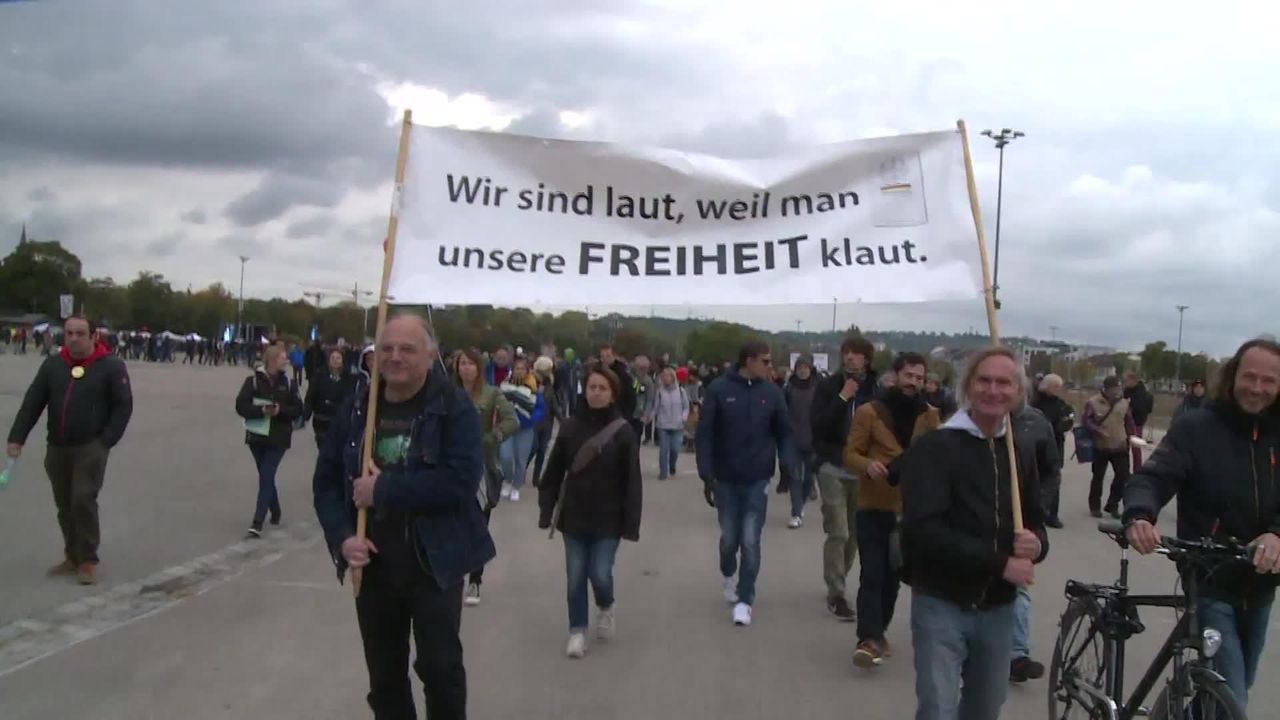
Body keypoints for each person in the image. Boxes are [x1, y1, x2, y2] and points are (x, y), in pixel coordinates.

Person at [312, 313, 492, 719]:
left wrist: (385, 489)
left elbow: (461, 481)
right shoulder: (359, 407)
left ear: (430, 355)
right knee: (385, 678)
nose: (395, 357)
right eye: (387, 348)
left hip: (434, 562)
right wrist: (342, 538)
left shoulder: (453, 407)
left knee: (440, 669)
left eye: (407, 349)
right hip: (374, 566)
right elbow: (326, 483)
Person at [1124, 339, 1280, 710]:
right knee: (1232, 697)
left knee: (1226, 692)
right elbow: (1153, 477)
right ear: (1232, 376)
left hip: (1262, 584)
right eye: (1250, 377)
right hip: (1210, 578)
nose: (1257, 388)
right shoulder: (1197, 429)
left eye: (1269, 381)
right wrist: (1140, 514)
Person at [898, 347, 1049, 720]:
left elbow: (1035, 521)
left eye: (1004, 383)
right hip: (941, 600)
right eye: (984, 380)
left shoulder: (1018, 451)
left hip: (998, 608)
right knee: (938, 708)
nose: (993, 391)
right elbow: (922, 531)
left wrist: (1036, 545)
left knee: (985, 709)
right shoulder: (935, 447)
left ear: (1018, 391)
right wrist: (1000, 564)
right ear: (968, 386)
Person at [6, 315, 133, 586]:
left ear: (93, 336)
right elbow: (32, 402)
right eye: (69, 333)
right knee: (64, 504)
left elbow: (123, 406)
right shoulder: (53, 365)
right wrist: (17, 437)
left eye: (80, 333)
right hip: (57, 446)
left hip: (91, 446)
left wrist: (107, 440)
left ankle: (87, 559)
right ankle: (72, 555)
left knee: (82, 499)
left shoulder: (111, 366)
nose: (73, 339)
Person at [538, 365, 643, 658]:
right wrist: (546, 509)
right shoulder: (570, 427)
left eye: (602, 388)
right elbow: (553, 472)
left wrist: (631, 523)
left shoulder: (623, 433)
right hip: (573, 515)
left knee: (599, 573)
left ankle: (606, 605)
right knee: (575, 577)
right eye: (592, 387)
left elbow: (632, 482)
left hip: (609, 519)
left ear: (613, 394)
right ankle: (577, 630)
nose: (596, 393)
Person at [843, 352, 939, 668]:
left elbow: (936, 457)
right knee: (872, 573)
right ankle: (868, 638)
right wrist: (867, 465)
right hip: (873, 505)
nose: (914, 382)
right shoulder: (870, 412)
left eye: (919, 378)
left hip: (908, 511)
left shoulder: (929, 416)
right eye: (909, 375)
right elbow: (850, 454)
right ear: (896, 375)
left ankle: (879, 630)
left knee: (892, 577)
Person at [696, 340, 792, 627]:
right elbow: (705, 434)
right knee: (729, 538)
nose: (770, 366)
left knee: (750, 539)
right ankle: (728, 573)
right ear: (749, 360)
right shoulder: (719, 389)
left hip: (757, 478)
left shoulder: (773, 393)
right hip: (725, 477)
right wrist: (706, 473)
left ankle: (744, 599)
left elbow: (784, 433)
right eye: (765, 361)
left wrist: (787, 467)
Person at [810, 336, 878, 622]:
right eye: (846, 353)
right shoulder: (829, 386)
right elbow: (818, 425)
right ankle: (836, 593)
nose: (850, 357)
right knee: (838, 531)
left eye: (856, 353)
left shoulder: (875, 390)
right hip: (832, 466)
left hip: (861, 469)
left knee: (853, 535)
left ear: (866, 359)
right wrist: (842, 397)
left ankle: (838, 575)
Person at [454, 348, 517, 608]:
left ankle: (475, 580)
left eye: (471, 363)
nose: (466, 368)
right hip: (451, 467)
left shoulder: (491, 394)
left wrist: (491, 438)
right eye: (462, 363)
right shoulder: (448, 393)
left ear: (479, 368)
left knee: (478, 524)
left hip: (481, 467)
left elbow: (511, 420)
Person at [1008, 399, 1059, 684]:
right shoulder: (967, 421)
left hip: (1022, 519)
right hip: (980, 516)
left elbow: (1051, 469)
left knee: (1019, 585)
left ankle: (1017, 655)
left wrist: (1040, 506)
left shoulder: (1037, 424)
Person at [235, 344, 303, 538]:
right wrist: (261, 410)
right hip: (257, 435)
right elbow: (241, 406)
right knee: (266, 475)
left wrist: (280, 410)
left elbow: (298, 409)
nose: (286, 361)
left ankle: (257, 521)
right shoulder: (253, 381)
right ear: (272, 360)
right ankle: (276, 509)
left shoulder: (289, 383)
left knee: (266, 474)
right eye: (283, 357)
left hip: (279, 437)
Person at [1084, 376, 1138, 518]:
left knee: (1123, 475)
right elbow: (1087, 420)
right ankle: (1095, 506)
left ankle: (1113, 504)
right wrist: (1097, 430)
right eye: (1114, 389)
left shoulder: (1124, 403)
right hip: (1101, 446)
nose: (1117, 391)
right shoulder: (1093, 402)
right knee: (1098, 476)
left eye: (1119, 388)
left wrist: (1132, 436)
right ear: (1106, 389)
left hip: (1120, 445)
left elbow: (1129, 421)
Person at [498, 356, 544, 502]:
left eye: (522, 369)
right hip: (507, 427)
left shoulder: (533, 388)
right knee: (505, 457)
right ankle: (507, 481)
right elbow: (497, 403)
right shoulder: (504, 385)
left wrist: (533, 418)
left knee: (520, 461)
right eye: (517, 368)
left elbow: (540, 408)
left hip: (525, 429)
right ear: (513, 370)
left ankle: (516, 487)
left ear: (527, 371)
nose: (519, 371)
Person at [1031, 373, 1075, 528]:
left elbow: (1067, 419)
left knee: (1054, 479)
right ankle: (1034, 511)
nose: (1059, 390)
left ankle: (1052, 515)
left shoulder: (1061, 404)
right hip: (1036, 446)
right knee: (1033, 479)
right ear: (1047, 386)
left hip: (1056, 445)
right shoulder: (1034, 402)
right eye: (1056, 387)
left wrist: (1067, 422)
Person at [783, 354, 819, 528]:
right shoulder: (789, 388)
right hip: (793, 438)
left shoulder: (818, 387)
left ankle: (801, 503)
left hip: (813, 439)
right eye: (799, 368)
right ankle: (796, 513)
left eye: (805, 367)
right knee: (795, 476)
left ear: (810, 369)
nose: (802, 371)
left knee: (809, 478)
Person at [305, 349, 357, 450]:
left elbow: (350, 397)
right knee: (323, 448)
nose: (335, 360)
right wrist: (306, 413)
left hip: (339, 419)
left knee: (337, 448)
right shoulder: (319, 375)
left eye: (338, 358)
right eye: (332, 358)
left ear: (342, 360)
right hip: (321, 419)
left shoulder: (349, 378)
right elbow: (311, 395)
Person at [647, 367, 690, 480]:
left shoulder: (681, 391)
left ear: (672, 377)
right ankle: (663, 472)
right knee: (663, 450)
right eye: (664, 376)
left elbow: (686, 407)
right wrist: (649, 417)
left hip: (677, 425)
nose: (665, 378)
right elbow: (656, 408)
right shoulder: (660, 392)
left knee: (675, 449)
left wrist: (683, 418)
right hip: (663, 425)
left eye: (668, 376)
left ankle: (672, 465)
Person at [528, 356, 561, 491]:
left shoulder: (549, 383)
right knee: (533, 447)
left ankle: (536, 479)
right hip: (534, 421)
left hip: (547, 422)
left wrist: (563, 420)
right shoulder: (531, 381)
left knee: (542, 450)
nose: (550, 371)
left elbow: (554, 403)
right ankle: (521, 470)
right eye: (548, 369)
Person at [1123, 371, 1154, 469]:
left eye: (1126, 380)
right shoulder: (1126, 391)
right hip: (1125, 422)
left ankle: (1137, 469)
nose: (1125, 383)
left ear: (1133, 380)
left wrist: (1130, 406)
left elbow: (1143, 408)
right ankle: (1124, 469)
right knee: (1124, 448)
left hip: (1137, 422)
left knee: (1136, 448)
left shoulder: (1141, 392)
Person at [598, 343, 637, 421]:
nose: (605, 359)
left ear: (614, 356)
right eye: (602, 356)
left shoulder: (623, 374)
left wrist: (626, 416)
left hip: (619, 414)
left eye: (608, 356)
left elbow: (631, 396)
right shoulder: (597, 373)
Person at [632, 355, 655, 444]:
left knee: (636, 439)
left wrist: (646, 415)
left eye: (645, 368)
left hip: (639, 415)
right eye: (640, 368)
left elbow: (650, 400)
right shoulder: (630, 378)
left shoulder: (648, 381)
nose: (642, 370)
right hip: (628, 413)